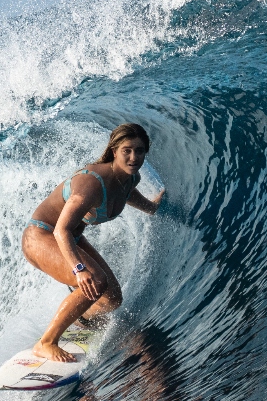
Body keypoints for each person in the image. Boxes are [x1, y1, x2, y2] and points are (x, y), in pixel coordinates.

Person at [22, 123, 162, 362]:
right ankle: (46, 343)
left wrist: (152, 207)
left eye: (139, 151)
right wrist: (79, 269)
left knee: (112, 298)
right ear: (114, 150)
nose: (133, 157)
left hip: (72, 237)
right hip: (41, 237)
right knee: (94, 281)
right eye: (127, 150)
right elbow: (61, 230)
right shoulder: (91, 184)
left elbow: (126, 194)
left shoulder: (130, 179)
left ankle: (81, 318)